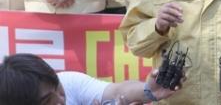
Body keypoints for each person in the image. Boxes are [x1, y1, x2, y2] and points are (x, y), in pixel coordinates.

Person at [0, 53, 181, 105]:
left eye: (59, 89)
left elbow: (115, 91)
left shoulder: (68, 81)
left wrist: (148, 91)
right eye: (47, 101)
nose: (60, 100)